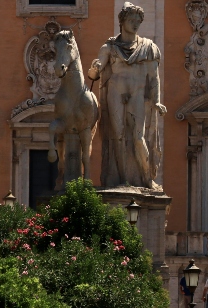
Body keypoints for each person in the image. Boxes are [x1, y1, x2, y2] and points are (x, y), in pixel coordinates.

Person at [88, 2, 166, 189]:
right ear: (122, 21)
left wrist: (156, 101)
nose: (136, 23)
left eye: (138, 20)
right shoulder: (109, 47)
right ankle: (122, 180)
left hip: (137, 95)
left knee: (138, 138)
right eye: (132, 20)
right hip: (115, 93)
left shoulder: (148, 48)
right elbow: (94, 75)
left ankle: (147, 179)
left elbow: (154, 79)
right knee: (117, 136)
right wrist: (94, 69)